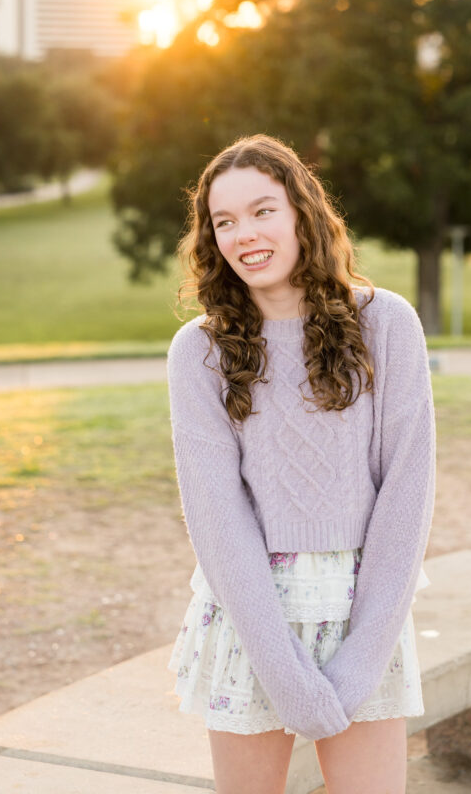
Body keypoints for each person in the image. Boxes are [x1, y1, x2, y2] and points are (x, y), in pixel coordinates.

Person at [165, 133, 436, 794]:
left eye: (261, 211)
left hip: (362, 612)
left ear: (301, 213)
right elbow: (216, 516)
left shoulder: (387, 325)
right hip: (247, 619)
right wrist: (283, 673)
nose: (243, 234)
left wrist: (361, 659)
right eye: (223, 221)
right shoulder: (197, 352)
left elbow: (406, 491)